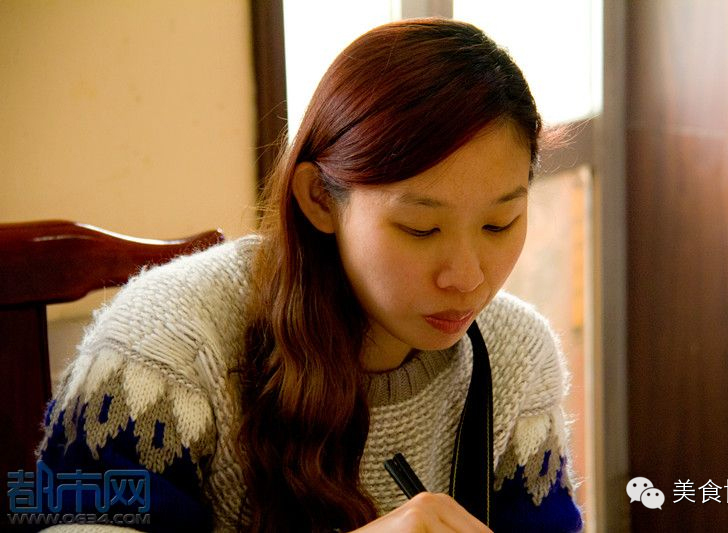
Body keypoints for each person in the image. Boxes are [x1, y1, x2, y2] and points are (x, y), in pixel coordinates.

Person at [37, 18, 583, 533]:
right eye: (420, 229)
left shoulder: (514, 355)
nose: (467, 278)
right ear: (320, 199)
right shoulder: (166, 347)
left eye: (498, 224)